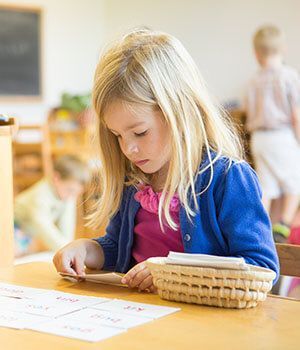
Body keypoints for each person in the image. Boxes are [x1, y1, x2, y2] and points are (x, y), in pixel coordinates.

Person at [53, 28, 279, 292]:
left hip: (204, 326)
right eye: (117, 135)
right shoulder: (134, 181)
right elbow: (118, 248)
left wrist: (176, 271)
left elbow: (262, 268)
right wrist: (86, 249)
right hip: (142, 319)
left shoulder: (228, 178)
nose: (128, 149)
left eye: (140, 132)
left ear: (180, 113)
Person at [244, 25, 300, 243]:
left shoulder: (253, 81)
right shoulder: (289, 77)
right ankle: (284, 225)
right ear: (283, 49)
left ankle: (260, 228)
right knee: (294, 182)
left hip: (259, 138)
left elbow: (249, 110)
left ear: (256, 54)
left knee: (267, 187)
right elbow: (296, 115)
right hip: (281, 135)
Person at [14, 154, 90, 256]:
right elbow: (46, 230)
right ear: (56, 178)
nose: (72, 197)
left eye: (76, 193)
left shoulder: (67, 195)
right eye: (70, 190)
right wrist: (69, 252)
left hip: (29, 231)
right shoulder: (40, 196)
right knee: (13, 255)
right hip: (12, 226)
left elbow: (67, 227)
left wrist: (70, 249)